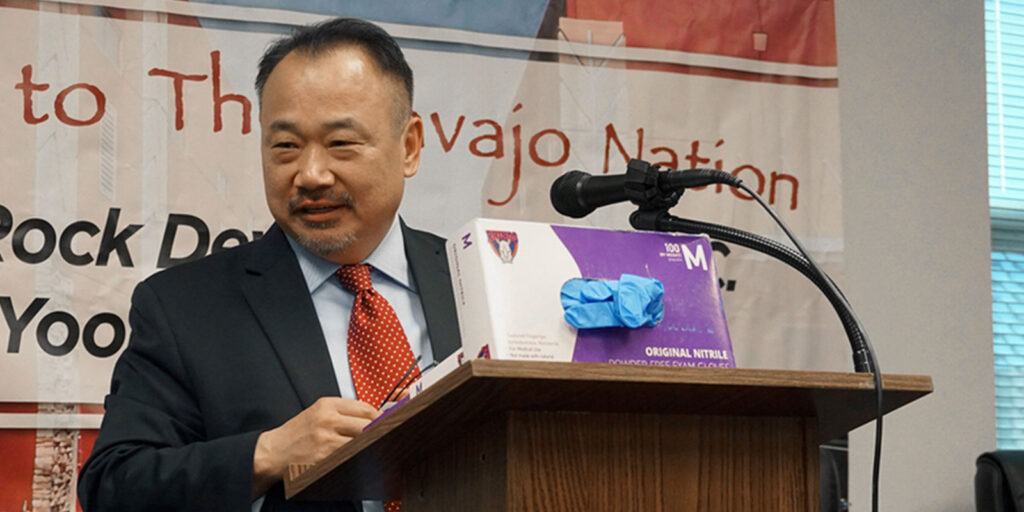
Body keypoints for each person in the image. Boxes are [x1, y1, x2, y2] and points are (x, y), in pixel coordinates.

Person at [77, 18, 461, 512]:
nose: (311, 175)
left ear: (408, 146)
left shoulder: (477, 276)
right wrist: (266, 455)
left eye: (341, 143)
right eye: (286, 147)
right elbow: (113, 487)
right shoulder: (184, 309)